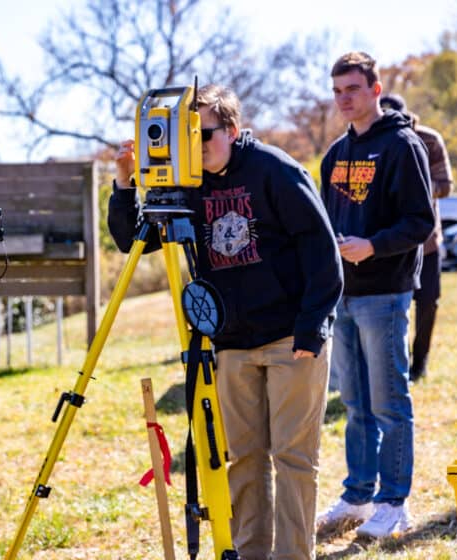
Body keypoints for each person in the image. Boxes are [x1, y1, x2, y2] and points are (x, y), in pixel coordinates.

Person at [109, 84, 343, 559]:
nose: (196, 146)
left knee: (294, 459)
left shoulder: (275, 170)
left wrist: (311, 329)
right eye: (187, 136)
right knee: (244, 459)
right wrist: (124, 182)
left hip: (289, 338)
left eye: (204, 133)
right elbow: (132, 239)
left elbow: (322, 253)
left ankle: (294, 555)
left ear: (232, 130)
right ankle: (251, 552)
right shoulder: (188, 184)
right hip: (231, 344)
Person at [316, 52, 434, 539]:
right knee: (356, 404)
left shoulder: (403, 146)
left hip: (385, 294)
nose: (345, 98)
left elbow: (421, 222)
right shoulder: (335, 154)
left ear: (375, 89)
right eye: (338, 90)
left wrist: (372, 246)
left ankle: (394, 501)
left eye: (353, 89)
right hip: (342, 296)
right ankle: (358, 496)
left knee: (389, 402)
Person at [380, 93, 453, 382]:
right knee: (387, 307)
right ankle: (392, 366)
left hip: (426, 240)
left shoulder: (428, 140)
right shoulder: (369, 143)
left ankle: (419, 361)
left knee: (428, 301)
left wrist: (411, 184)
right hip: (387, 242)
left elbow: (445, 186)